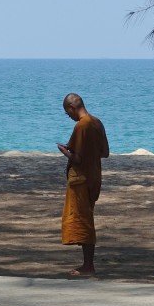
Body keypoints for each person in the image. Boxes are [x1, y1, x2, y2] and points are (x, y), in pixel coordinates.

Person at [56, 93, 109, 276]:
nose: (69, 117)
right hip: (94, 176)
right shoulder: (97, 123)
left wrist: (64, 151)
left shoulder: (82, 126)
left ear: (72, 108)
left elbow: (77, 158)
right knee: (87, 217)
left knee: (84, 221)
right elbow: (105, 152)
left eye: (67, 113)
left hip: (81, 179)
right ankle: (87, 264)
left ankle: (88, 266)